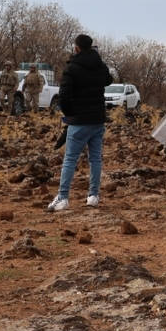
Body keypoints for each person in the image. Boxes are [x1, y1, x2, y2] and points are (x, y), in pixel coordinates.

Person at [48, 34, 113, 211]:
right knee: (95, 159)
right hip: (98, 120)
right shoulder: (99, 66)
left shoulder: (72, 68)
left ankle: (63, 198)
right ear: (91, 48)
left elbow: (64, 96)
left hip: (79, 120)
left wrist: (70, 114)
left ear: (76, 48)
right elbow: (109, 80)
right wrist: (99, 60)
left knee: (70, 159)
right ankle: (93, 196)